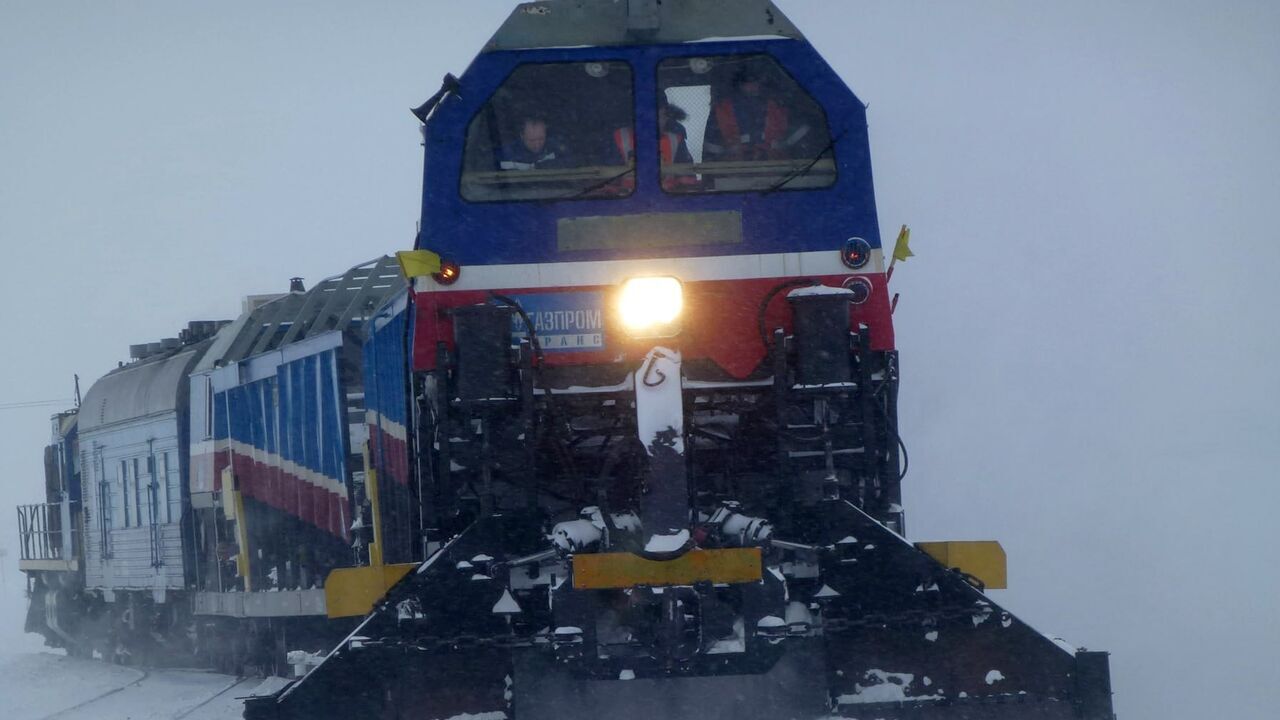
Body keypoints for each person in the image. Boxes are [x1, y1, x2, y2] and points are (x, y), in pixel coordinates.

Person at [703, 67, 805, 162]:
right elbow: (710, 145)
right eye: (748, 82)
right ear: (740, 85)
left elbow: (797, 137)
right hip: (733, 169)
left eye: (756, 82)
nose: (753, 86)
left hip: (778, 168)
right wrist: (727, 151)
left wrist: (782, 146)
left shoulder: (778, 107)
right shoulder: (722, 110)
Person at [497, 115, 569, 170]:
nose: (537, 144)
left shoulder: (555, 147)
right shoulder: (508, 153)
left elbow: (571, 161)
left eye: (541, 139)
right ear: (522, 136)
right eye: (531, 140)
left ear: (546, 134)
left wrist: (542, 166)